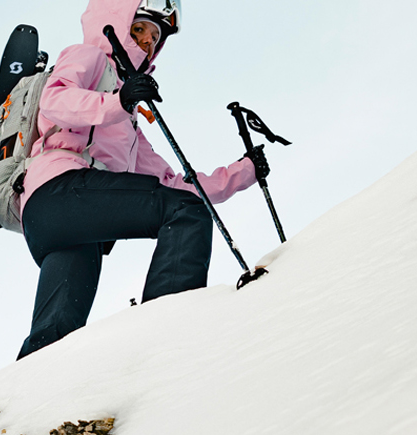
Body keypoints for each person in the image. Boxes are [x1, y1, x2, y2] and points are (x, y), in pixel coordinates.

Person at [16, 0, 264, 359]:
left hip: (65, 224)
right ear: (116, 22)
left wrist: (245, 172)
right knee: (184, 213)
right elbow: (55, 100)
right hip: (60, 190)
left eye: (154, 38)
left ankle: (26, 399)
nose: (147, 42)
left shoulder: (129, 125)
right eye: (139, 30)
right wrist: (118, 101)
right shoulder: (89, 57)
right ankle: (165, 333)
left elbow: (173, 185)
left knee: (55, 335)